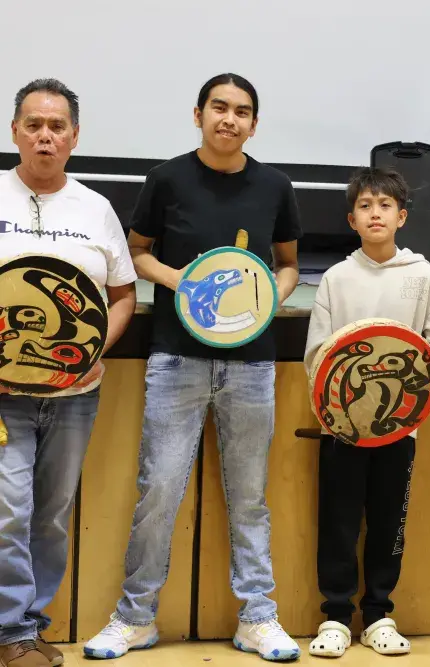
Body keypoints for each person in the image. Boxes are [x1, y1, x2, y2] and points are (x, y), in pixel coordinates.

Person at [83, 73, 302, 661]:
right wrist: (182, 282)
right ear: (199, 113)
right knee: (158, 489)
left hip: (252, 365)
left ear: (254, 123)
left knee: (250, 497)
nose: (229, 119)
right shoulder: (166, 178)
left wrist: (269, 295)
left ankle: (258, 617)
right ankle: (135, 618)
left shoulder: (276, 186)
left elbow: (287, 265)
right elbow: (135, 253)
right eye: (219, 108)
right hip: (176, 356)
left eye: (242, 111)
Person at [0, 78, 137, 667]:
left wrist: (89, 350)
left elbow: (124, 293)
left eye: (57, 127)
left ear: (75, 137)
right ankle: (9, 634)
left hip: (77, 393)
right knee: (7, 507)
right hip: (3, 393)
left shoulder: (96, 208)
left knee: (50, 514)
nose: (45, 136)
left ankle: (30, 628)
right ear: (15, 132)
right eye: (34, 124)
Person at [302, 167, 430, 659]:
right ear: (352, 218)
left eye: (385, 205)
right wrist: (337, 408)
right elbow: (317, 356)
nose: (375, 213)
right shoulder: (335, 278)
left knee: (390, 519)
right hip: (342, 428)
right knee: (339, 520)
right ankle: (336, 617)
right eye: (365, 206)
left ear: (401, 216)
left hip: (398, 430)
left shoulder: (422, 275)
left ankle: (379, 615)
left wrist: (409, 407)